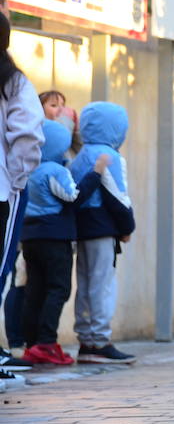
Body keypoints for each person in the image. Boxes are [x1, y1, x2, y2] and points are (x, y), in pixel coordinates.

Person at [19, 120, 102, 365]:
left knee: (34, 290)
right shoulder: (54, 170)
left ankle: (32, 343)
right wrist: (95, 174)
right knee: (58, 289)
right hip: (55, 237)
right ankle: (46, 343)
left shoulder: (29, 168)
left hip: (30, 237)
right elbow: (72, 196)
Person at [68, 102, 137, 363]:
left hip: (82, 227)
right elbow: (117, 196)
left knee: (85, 284)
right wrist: (127, 227)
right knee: (102, 285)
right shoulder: (110, 156)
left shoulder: (81, 155)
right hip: (103, 228)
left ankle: (86, 340)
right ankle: (100, 342)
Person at [0, 8, 42, 381]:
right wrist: (15, 181)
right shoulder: (13, 83)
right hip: (1, 193)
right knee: (0, 269)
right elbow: (28, 136)